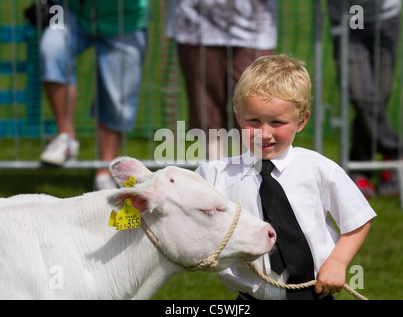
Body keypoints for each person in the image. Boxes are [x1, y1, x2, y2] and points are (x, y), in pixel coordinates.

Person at [196, 54, 376, 300]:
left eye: (277, 122)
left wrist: (337, 262)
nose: (264, 133)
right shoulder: (217, 175)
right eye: (254, 121)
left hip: (313, 295)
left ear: (301, 120)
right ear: (238, 117)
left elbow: (358, 220)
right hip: (250, 298)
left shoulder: (319, 170)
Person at [39, 0, 148, 190]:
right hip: (67, 9)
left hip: (126, 17)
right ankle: (66, 139)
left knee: (117, 96)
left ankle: (104, 172)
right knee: (51, 49)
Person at [166, 0, 277, 160]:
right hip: (195, 25)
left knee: (254, 108)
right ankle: (216, 176)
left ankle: (251, 174)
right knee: (206, 112)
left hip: (254, 27)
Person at [327, 0, 403, 198]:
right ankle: (395, 150)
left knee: (379, 97)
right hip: (349, 17)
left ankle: (360, 168)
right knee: (362, 95)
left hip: (385, 17)